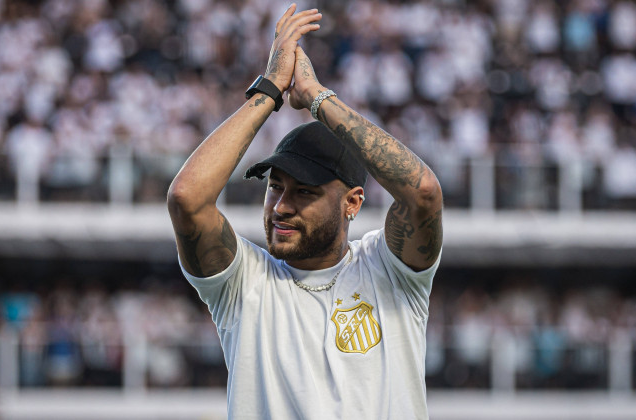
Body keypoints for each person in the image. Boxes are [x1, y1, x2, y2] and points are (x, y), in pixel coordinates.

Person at [167, 5, 443, 419]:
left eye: (304, 192)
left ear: (352, 202)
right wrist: (270, 89)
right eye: (275, 187)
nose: (281, 206)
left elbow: (422, 192)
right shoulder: (245, 284)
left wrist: (316, 97)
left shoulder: (390, 272)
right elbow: (187, 198)